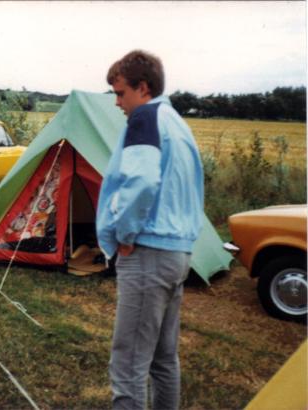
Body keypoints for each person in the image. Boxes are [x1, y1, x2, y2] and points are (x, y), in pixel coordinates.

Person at [96, 50, 204, 410]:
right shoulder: (177, 122)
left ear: (143, 88)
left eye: (121, 93)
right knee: (163, 359)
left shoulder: (145, 116)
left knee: (128, 363)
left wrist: (125, 234)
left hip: (148, 254)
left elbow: (141, 181)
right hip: (177, 253)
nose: (117, 103)